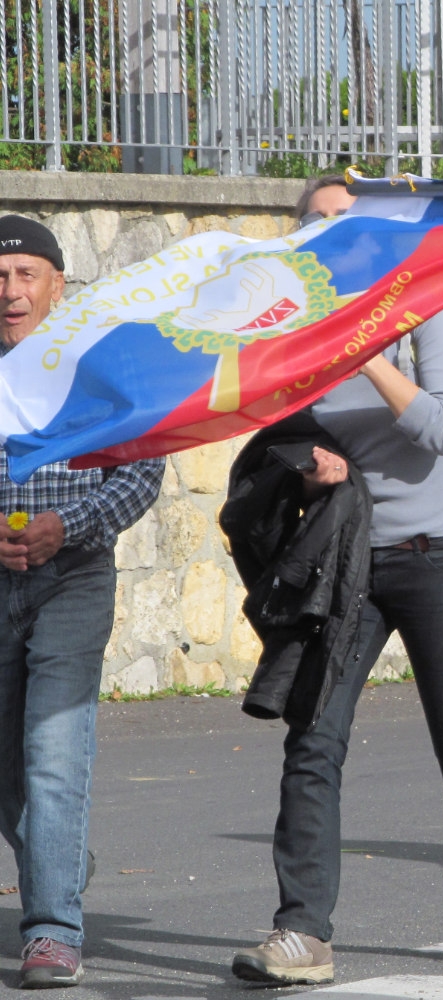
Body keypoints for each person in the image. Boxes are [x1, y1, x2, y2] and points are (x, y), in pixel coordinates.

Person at [231, 178, 443, 985]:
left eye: (344, 222)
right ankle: (302, 933)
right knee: (313, 738)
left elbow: (438, 428)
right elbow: (270, 446)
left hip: (440, 555)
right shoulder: (288, 336)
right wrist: (308, 469)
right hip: (346, 564)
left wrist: (365, 346)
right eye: (315, 223)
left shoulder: (420, 310)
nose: (331, 232)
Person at [0, 216, 164, 988]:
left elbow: (141, 473)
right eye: (0, 278)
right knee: (7, 770)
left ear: (58, 285)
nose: (10, 291)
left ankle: (53, 929)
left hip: (74, 576)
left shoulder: (99, 365)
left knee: (54, 754)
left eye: (26, 274)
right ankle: (59, 856)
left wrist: (68, 526)